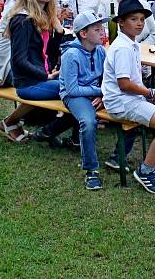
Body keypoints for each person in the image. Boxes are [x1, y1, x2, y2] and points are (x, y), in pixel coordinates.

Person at [103, 0, 155, 194]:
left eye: (142, 20)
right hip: (121, 102)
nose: (139, 23)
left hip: (129, 97)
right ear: (120, 22)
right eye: (134, 19)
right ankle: (145, 170)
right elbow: (125, 84)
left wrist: (150, 94)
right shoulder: (122, 47)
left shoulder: (131, 44)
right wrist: (150, 93)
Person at [0, 0, 66, 141]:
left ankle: (48, 130)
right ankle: (48, 131)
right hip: (28, 82)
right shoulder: (22, 20)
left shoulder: (41, 16)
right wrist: (45, 75)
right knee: (71, 89)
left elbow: (50, 51)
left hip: (40, 78)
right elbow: (19, 60)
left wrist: (59, 29)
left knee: (76, 84)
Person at [59, 11, 109, 190]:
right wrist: (100, 90)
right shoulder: (71, 55)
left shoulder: (100, 50)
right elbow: (72, 89)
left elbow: (106, 76)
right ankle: (91, 170)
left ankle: (117, 158)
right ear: (83, 34)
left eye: (101, 28)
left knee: (129, 106)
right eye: (97, 29)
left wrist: (103, 94)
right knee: (88, 122)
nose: (102, 32)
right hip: (75, 96)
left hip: (95, 92)